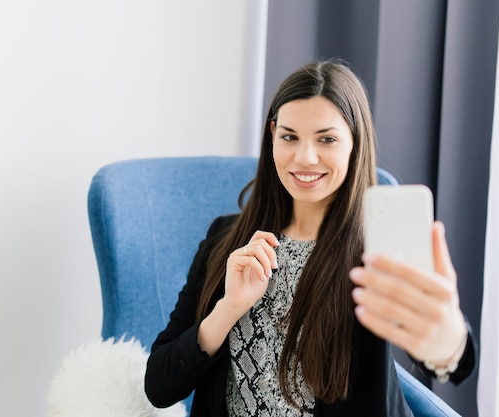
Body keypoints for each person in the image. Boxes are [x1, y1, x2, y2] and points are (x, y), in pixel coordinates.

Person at [145, 59, 476, 416]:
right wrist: (228, 308)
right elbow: (159, 387)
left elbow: (451, 362)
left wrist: (448, 342)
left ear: (354, 143)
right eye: (289, 136)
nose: (305, 157)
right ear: (272, 136)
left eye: (327, 139)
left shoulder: (373, 254)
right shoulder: (226, 239)